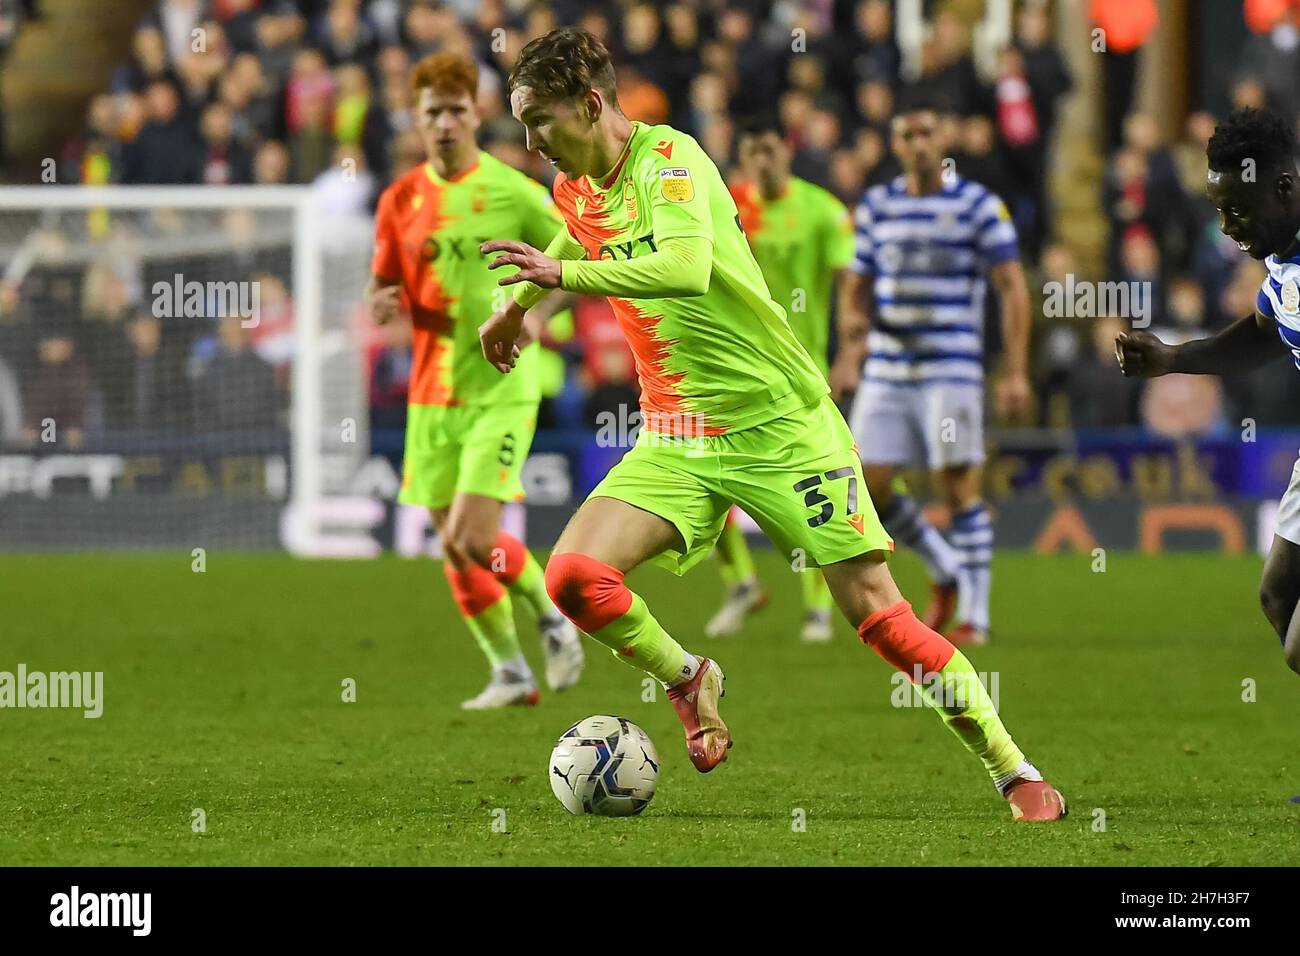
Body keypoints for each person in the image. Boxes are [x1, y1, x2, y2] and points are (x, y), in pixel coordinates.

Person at [477, 28, 1065, 820]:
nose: (529, 142)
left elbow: (683, 270)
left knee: (881, 618)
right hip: (679, 434)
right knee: (574, 579)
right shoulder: (577, 184)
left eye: (540, 121)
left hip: (783, 427)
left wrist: (559, 278)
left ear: (591, 105)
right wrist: (517, 309)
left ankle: (1014, 771)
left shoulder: (672, 161)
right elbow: (573, 226)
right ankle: (690, 677)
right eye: (521, 124)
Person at [365, 51, 584, 710]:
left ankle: (553, 617)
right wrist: (381, 302)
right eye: (433, 112)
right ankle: (510, 671)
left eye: (457, 110)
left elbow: (575, 253)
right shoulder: (398, 200)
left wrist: (535, 315)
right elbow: (383, 285)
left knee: (474, 536)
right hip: (431, 394)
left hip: (499, 384)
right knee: (454, 549)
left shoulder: (513, 190)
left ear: (476, 113)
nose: (445, 123)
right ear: (416, 118)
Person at [842, 97, 1032, 647]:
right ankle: (943, 564)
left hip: (951, 367)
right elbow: (857, 286)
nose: (918, 143)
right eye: (907, 135)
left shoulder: (977, 204)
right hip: (888, 364)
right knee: (865, 485)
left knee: (957, 485)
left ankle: (977, 612)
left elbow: (1012, 286)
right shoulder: (877, 206)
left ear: (942, 138)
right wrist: (853, 339)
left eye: (927, 132)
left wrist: (1015, 370)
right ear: (895, 144)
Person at [1117, 106, 1300, 675]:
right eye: (1220, 209)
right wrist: (1172, 357)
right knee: (1277, 598)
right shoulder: (1283, 259)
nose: (1226, 225)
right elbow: (1266, 333)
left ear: (1285, 188)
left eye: (1238, 210)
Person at [704, 117, 861, 643]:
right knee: (704, 477)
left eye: (770, 148)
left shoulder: (821, 210)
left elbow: (849, 284)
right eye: (753, 151)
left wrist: (850, 351)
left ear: (786, 151)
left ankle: (818, 608)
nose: (763, 160)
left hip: (800, 368)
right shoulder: (726, 204)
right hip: (730, 368)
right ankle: (742, 582)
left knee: (811, 487)